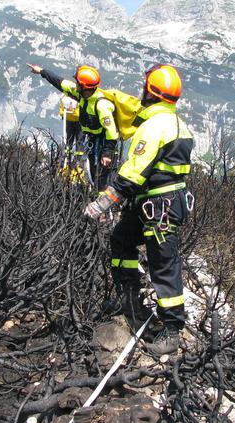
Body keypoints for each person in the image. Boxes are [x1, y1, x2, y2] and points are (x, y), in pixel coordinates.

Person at [84, 64, 193, 355]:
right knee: (122, 240)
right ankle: (129, 301)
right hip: (157, 202)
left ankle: (172, 330)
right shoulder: (178, 124)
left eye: (145, 88)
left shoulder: (155, 126)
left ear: (152, 92)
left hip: (159, 206)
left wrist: (104, 201)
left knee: (164, 263)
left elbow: (134, 171)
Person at [28, 63, 119, 189]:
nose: (75, 85)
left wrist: (107, 153)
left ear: (84, 86)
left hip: (103, 144)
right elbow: (60, 82)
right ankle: (98, 197)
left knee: (103, 181)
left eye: (78, 83)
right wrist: (41, 71)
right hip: (93, 141)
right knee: (95, 178)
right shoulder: (82, 95)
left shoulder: (101, 105)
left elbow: (112, 132)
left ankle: (106, 200)